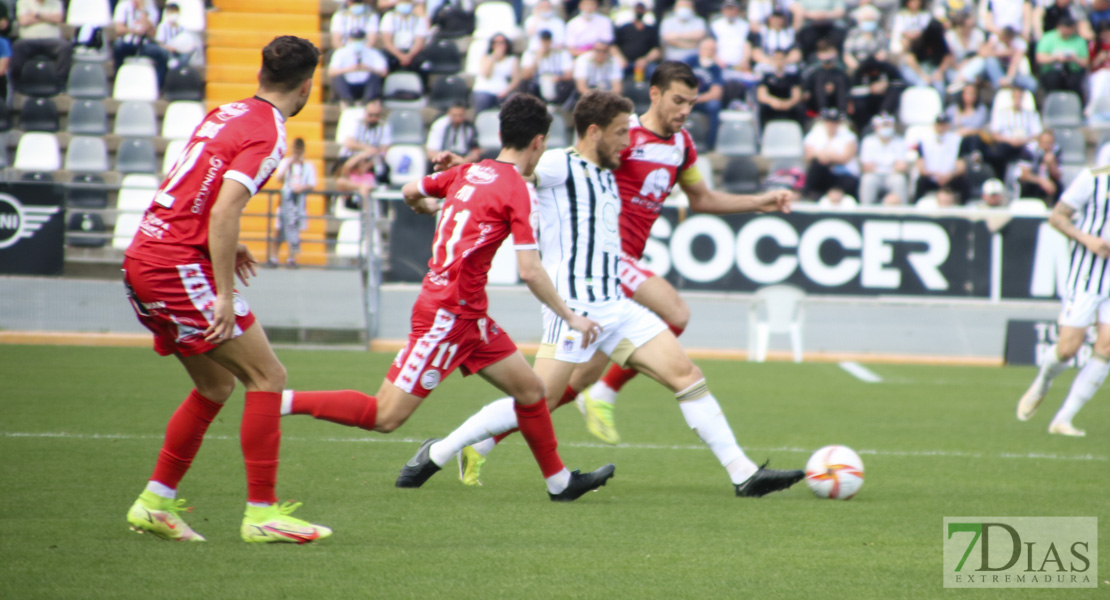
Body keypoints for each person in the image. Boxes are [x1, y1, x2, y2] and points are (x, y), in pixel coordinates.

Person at [407, 89, 805, 498]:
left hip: (615, 306)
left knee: (687, 376)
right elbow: (511, 171)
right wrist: (467, 169)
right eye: (620, 133)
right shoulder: (560, 164)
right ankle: (440, 450)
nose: (628, 141)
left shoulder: (608, 171)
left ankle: (744, 474)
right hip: (574, 311)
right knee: (538, 398)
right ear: (594, 133)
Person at [291, 94, 617, 501]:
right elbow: (530, 270)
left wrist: (429, 205)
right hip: (446, 316)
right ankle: (280, 401)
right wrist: (571, 317)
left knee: (532, 392)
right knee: (384, 415)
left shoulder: (469, 172)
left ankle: (559, 483)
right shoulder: (515, 188)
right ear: (538, 142)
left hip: (470, 317)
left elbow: (411, 191)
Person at [122, 36, 344, 544]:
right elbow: (223, 209)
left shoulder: (226, 113)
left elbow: (193, 188)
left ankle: (155, 502)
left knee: (216, 385)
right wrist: (223, 293)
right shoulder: (269, 133)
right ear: (308, 84)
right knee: (268, 375)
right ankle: (262, 514)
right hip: (177, 266)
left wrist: (227, 245)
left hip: (144, 256)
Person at [546, 62, 792, 447]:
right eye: (678, 100)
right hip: (606, 258)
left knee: (574, 381)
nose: (685, 110)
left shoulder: (683, 145)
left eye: (692, 103)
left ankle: (482, 439)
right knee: (676, 312)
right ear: (655, 93)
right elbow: (572, 163)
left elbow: (703, 199)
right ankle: (607, 393)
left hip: (622, 272)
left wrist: (760, 202)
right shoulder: (623, 136)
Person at [1016, 164, 1110, 436]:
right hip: (1088, 273)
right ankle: (1043, 381)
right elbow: (1058, 217)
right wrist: (1086, 239)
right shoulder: (1093, 178)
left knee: (1106, 348)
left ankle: (1063, 419)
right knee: (1068, 348)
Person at [270, 138, 317, 268]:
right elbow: (278, 179)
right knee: (278, 230)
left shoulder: (307, 166)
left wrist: (302, 188)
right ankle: (274, 257)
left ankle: (291, 259)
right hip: (285, 200)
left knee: (294, 231)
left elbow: (312, 184)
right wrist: (289, 164)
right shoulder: (286, 163)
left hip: (298, 203)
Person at [11, 0, 71, 91]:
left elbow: (58, 19)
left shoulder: (55, 2)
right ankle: (17, 81)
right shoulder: (23, 2)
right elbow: (23, 21)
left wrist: (37, 14)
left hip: (52, 41)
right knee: (18, 46)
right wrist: (48, 17)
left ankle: (61, 81)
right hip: (28, 40)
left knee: (65, 46)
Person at [988, 85, 1043, 181]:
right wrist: (1009, 140)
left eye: (1019, 97)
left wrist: (1023, 140)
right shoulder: (1002, 113)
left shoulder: (1031, 114)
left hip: (1025, 144)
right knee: (997, 154)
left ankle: (1024, 181)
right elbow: (995, 134)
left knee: (1030, 153)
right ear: (1012, 98)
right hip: (1007, 143)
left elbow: (1037, 134)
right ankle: (999, 179)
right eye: (1015, 97)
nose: (1017, 100)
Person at [803, 107, 859, 199]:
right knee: (815, 167)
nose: (831, 125)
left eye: (834, 122)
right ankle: (808, 195)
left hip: (843, 174)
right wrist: (830, 155)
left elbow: (844, 158)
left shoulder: (849, 136)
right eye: (829, 121)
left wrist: (823, 155)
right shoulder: (815, 134)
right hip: (825, 173)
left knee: (850, 182)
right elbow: (808, 155)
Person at [113, 0, 170, 87]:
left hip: (145, 45)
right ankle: (118, 81)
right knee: (117, 46)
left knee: (163, 54)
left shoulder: (151, 8)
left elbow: (152, 33)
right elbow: (119, 30)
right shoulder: (123, 6)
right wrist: (133, 31)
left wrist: (142, 11)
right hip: (127, 43)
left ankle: (157, 86)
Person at [328, 29, 389, 107]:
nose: (357, 42)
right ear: (349, 39)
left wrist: (369, 68)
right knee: (338, 78)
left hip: (365, 85)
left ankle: (367, 101)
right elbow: (331, 72)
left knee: (375, 77)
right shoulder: (340, 53)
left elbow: (384, 72)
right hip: (349, 85)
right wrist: (350, 69)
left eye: (359, 39)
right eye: (355, 39)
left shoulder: (373, 53)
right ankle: (347, 101)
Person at [858, 113, 908, 205]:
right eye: (884, 125)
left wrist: (879, 167)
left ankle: (903, 211)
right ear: (876, 127)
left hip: (892, 175)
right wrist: (890, 167)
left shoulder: (900, 141)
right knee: (867, 180)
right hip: (875, 175)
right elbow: (866, 167)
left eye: (888, 125)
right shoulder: (868, 141)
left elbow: (901, 166)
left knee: (899, 180)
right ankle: (865, 210)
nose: (886, 128)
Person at [915, 114, 967, 201]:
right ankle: (915, 206)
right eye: (939, 124)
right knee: (921, 182)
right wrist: (935, 174)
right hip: (931, 177)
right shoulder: (924, 141)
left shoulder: (957, 140)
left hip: (950, 177)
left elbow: (961, 166)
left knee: (964, 182)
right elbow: (921, 167)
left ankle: (965, 208)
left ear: (948, 125)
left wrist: (949, 175)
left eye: (943, 124)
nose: (941, 127)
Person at [339, 100, 392, 183]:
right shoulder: (356, 123)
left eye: (376, 115)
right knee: (345, 165)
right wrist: (367, 149)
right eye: (370, 115)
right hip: (352, 157)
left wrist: (368, 160)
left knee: (383, 167)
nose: (373, 118)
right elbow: (349, 143)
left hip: (372, 160)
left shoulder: (384, 126)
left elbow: (383, 149)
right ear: (365, 113)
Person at [1035, 14, 1089, 95]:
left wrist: (1075, 58)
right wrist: (1056, 57)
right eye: (1065, 27)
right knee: (1053, 80)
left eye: (1069, 28)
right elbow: (1040, 58)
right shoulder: (1047, 38)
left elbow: (1086, 63)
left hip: (1073, 71)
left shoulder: (1079, 40)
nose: (1067, 31)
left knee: (1074, 82)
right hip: (1052, 70)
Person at [686, 38, 724, 149]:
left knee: (714, 105)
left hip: (702, 100)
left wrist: (696, 99)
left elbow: (716, 93)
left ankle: (711, 144)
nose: (708, 52)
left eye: (712, 50)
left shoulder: (716, 69)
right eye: (706, 49)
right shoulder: (691, 61)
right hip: (686, 98)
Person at [900, 18, 953, 96]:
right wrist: (922, 75)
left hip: (932, 68)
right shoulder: (920, 40)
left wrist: (940, 71)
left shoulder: (941, 41)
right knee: (922, 84)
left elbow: (947, 57)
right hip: (916, 68)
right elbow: (909, 59)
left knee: (940, 87)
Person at [472, 33, 523, 113]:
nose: (499, 45)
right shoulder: (485, 57)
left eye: (501, 43)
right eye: (496, 43)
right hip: (485, 90)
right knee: (482, 100)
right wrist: (493, 58)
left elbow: (515, 80)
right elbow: (486, 74)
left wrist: (506, 90)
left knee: (512, 100)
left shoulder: (512, 60)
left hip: (503, 91)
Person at [522, 29, 576, 104]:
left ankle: (559, 106)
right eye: (543, 41)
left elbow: (569, 74)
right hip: (537, 85)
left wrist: (559, 78)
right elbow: (526, 75)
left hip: (557, 83)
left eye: (547, 40)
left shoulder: (561, 53)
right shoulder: (530, 53)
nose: (545, 43)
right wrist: (538, 57)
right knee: (525, 85)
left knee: (569, 84)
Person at [757, 47, 805, 126]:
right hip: (772, 104)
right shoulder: (767, 76)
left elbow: (797, 95)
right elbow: (761, 95)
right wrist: (772, 101)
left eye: (781, 59)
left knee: (800, 108)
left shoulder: (792, 76)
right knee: (762, 108)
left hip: (788, 104)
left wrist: (789, 103)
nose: (779, 62)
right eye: (776, 59)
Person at [615, 2, 662, 80]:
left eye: (641, 9)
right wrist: (620, 58)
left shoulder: (651, 30)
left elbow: (656, 50)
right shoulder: (624, 28)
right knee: (615, 70)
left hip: (645, 64)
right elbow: (614, 46)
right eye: (637, 9)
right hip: (625, 62)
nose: (639, 11)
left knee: (655, 72)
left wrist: (645, 60)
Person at [802, 38, 850, 114]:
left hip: (836, 102)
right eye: (824, 51)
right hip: (816, 104)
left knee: (840, 79)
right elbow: (806, 88)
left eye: (829, 51)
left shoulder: (841, 70)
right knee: (819, 79)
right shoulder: (813, 71)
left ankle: (841, 113)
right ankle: (822, 112)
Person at [380, 0, 429, 72]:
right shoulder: (389, 17)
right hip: (393, 51)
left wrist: (409, 56)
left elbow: (419, 42)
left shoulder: (418, 19)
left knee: (424, 65)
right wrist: (400, 56)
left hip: (411, 51)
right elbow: (388, 43)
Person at [750, 9, 802, 74]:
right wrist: (771, 62)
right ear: (770, 19)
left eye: (780, 18)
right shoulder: (762, 32)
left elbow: (796, 53)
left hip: (786, 64)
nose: (777, 20)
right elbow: (756, 53)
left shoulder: (790, 33)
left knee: (794, 69)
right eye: (775, 18)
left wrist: (782, 62)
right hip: (768, 63)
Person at [1016, 130, 1062, 203]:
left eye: (1050, 143)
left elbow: (1057, 176)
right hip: (1032, 179)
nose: (1047, 146)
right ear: (1039, 142)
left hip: (1047, 178)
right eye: (1045, 143)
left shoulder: (1056, 150)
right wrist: (1042, 181)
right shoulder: (1029, 150)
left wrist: (1052, 163)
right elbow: (1025, 175)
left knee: (1058, 186)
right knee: (1028, 185)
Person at [153, 3, 202, 69]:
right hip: (167, 52)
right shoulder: (163, 27)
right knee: (165, 56)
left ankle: (178, 71)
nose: (174, 15)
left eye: (175, 12)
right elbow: (159, 43)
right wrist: (167, 47)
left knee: (185, 56)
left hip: (179, 51)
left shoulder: (182, 28)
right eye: (171, 12)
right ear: (167, 13)